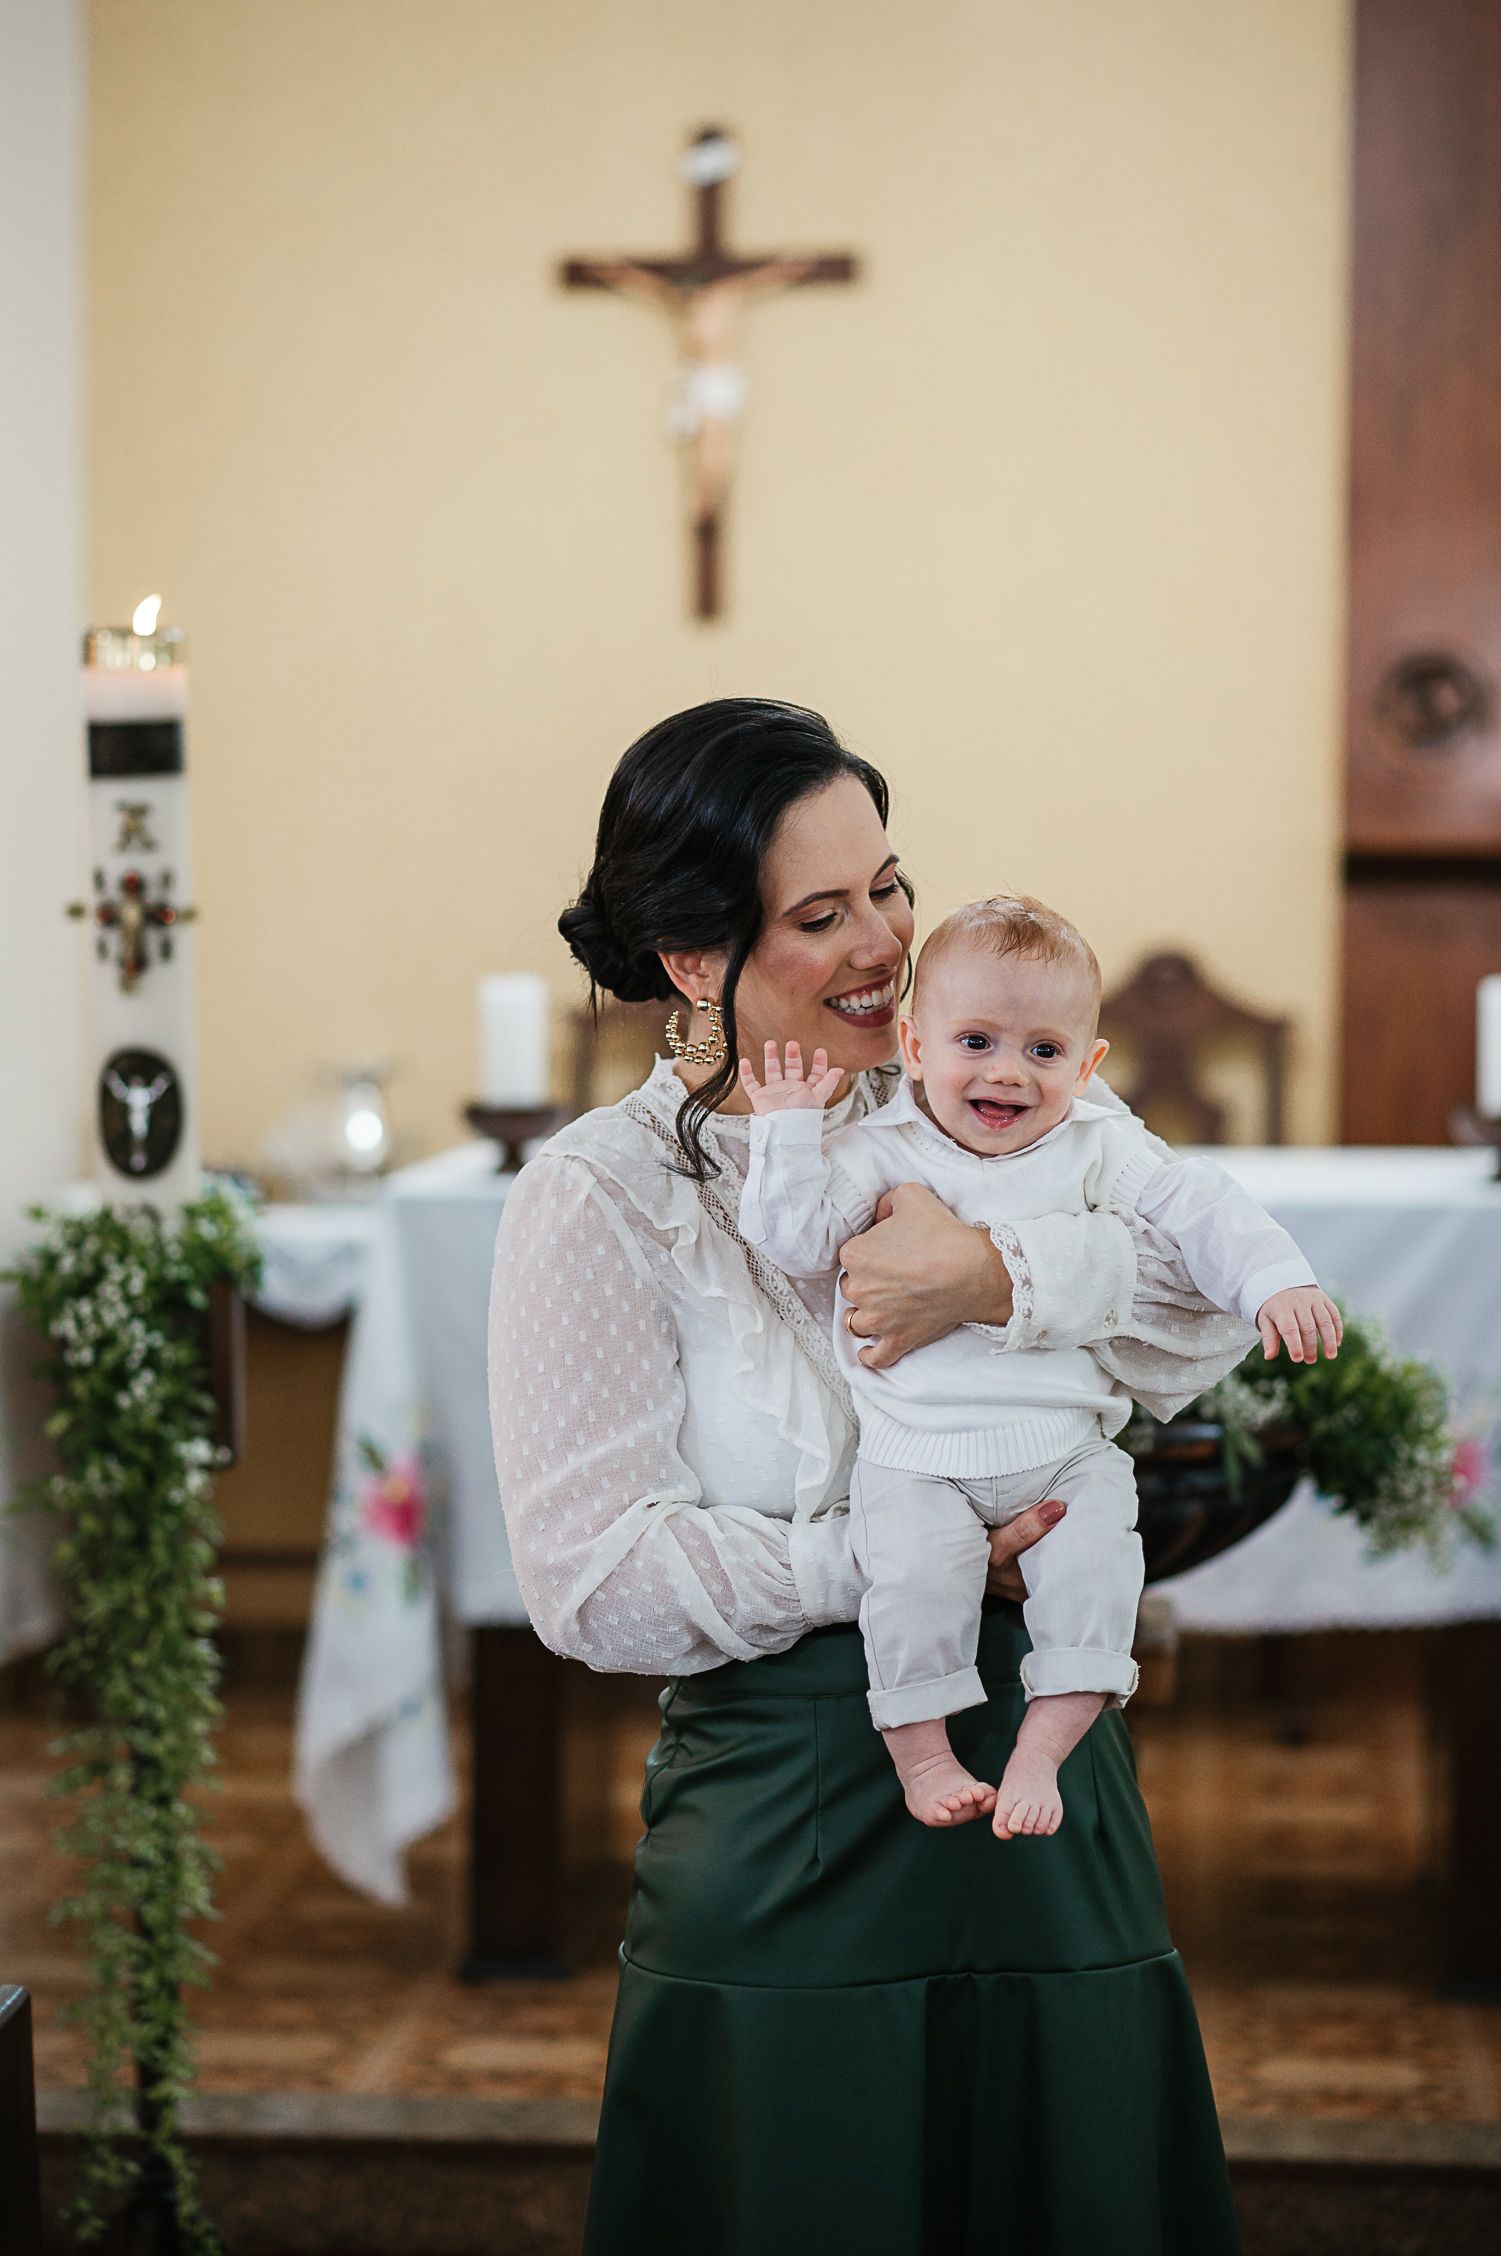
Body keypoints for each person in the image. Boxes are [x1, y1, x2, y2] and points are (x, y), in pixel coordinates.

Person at [488, 698, 1251, 2254]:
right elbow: (591, 1582)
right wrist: (906, 1566)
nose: (884, 942)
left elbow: (1198, 1328)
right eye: (821, 913)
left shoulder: (990, 1086)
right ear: (696, 959)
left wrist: (995, 1279)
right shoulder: (600, 1197)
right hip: (786, 1823)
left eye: (889, 888)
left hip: (1047, 1801)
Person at [737, 892, 1340, 1841]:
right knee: (912, 1585)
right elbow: (796, 1245)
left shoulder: (1099, 1146)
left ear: (1089, 1064)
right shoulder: (874, 1147)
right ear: (915, 1044)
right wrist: (786, 1136)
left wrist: (1272, 1280)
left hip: (1065, 1451)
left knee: (1101, 1574)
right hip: (917, 1454)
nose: (1008, 1073)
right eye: (975, 1041)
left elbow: (1198, 1205)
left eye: (1044, 1051)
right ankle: (924, 1752)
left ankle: (1042, 1751)